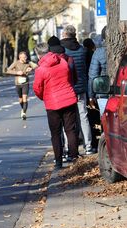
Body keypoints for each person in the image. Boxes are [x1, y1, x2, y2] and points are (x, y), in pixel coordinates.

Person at [33, 43, 79, 168]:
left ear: (38, 54)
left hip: (52, 104)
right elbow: (70, 78)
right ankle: (74, 158)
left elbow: (37, 88)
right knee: (70, 130)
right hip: (69, 99)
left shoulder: (40, 70)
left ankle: (58, 161)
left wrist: (44, 96)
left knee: (56, 133)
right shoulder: (63, 62)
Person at [61, 25, 95, 155]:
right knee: (83, 116)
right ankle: (88, 146)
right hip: (81, 87)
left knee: (67, 119)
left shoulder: (62, 51)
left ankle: (70, 148)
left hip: (67, 87)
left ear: (64, 35)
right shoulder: (82, 50)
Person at [6, 51, 37, 120]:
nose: (25, 58)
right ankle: (23, 109)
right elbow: (8, 70)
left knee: (25, 98)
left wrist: (31, 69)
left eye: (25, 57)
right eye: (23, 57)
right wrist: (17, 72)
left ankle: (24, 112)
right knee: (20, 99)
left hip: (25, 83)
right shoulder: (16, 63)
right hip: (18, 83)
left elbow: (36, 66)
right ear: (20, 57)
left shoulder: (28, 62)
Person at [88, 26, 108, 116]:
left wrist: (91, 96)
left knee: (106, 121)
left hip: (103, 92)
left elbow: (93, 76)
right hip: (123, 91)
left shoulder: (98, 52)